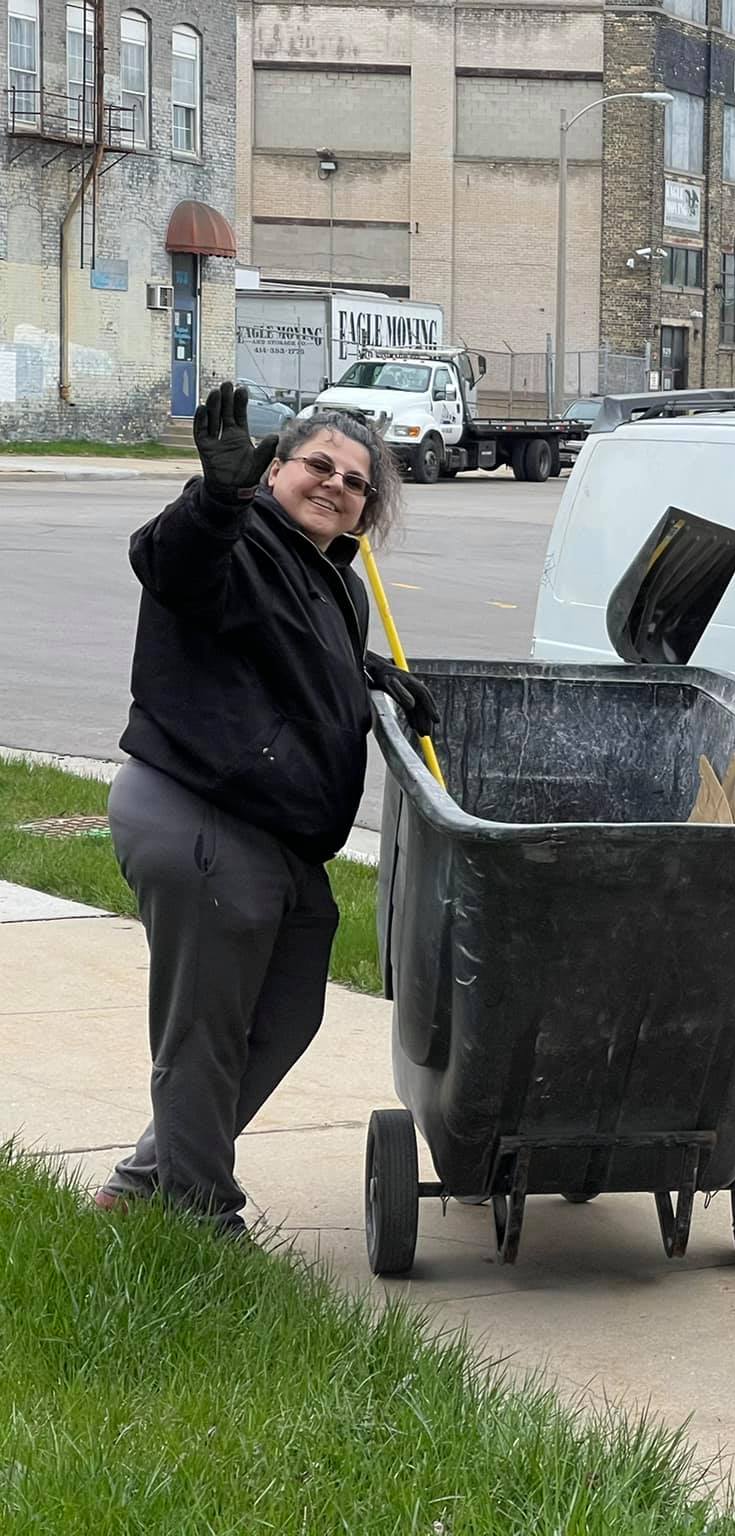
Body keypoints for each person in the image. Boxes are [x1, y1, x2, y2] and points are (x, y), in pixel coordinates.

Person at [94, 383, 440, 1236]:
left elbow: (275, 647)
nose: (335, 486)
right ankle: (200, 1217)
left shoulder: (328, 579)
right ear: (275, 469)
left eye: (356, 482)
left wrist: (364, 675)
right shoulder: (239, 535)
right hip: (201, 813)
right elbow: (175, 567)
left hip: (278, 837)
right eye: (319, 465)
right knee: (205, 1034)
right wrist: (216, 496)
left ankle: (149, 1178)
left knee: (288, 1011)